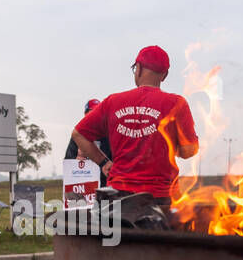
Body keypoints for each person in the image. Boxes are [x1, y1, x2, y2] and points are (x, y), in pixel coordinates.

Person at [70, 46, 198, 204]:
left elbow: (78, 134)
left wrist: (103, 162)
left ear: (138, 69)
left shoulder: (113, 102)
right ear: (164, 75)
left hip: (118, 195)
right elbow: (188, 150)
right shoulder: (177, 104)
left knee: (120, 229)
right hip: (161, 196)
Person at [64, 99, 112, 187]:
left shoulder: (109, 136)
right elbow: (68, 162)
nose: (95, 117)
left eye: (98, 113)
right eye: (92, 113)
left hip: (105, 187)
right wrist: (78, 159)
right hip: (85, 187)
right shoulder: (78, 136)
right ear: (85, 115)